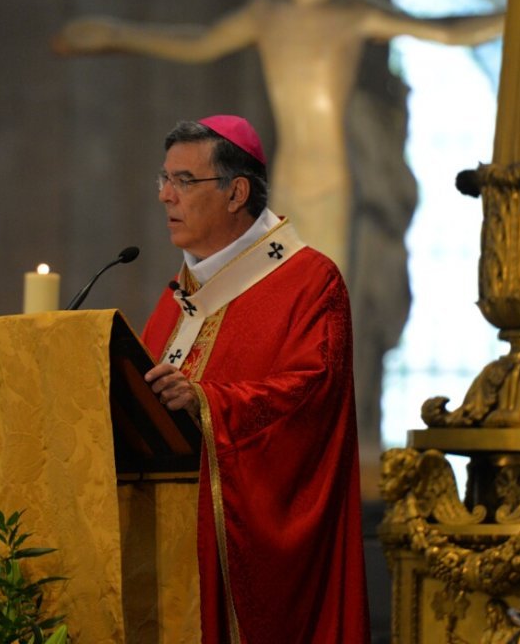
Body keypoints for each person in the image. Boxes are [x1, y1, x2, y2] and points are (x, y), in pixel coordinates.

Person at [56, 0, 504, 467]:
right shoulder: (270, 13)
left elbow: (440, 29)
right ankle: (266, 426)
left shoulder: (350, 13)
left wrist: (518, 13)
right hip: (291, 179)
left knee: (328, 317)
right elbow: (198, 41)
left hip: (334, 186)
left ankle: (328, 437)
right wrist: (114, 36)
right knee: (272, 306)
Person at [141, 115, 370, 643]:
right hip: (170, 560)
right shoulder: (178, 294)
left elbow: (311, 400)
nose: (166, 197)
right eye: (163, 180)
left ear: (236, 192)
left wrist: (207, 403)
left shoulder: (309, 282)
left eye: (183, 181)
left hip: (261, 564)